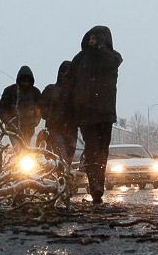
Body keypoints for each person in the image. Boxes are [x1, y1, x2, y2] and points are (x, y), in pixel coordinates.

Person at [69, 25, 122, 204]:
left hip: (105, 113)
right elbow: (70, 83)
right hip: (86, 113)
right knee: (92, 148)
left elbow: (110, 63)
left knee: (102, 150)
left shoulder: (112, 57)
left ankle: (98, 180)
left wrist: (100, 48)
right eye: (90, 38)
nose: (92, 41)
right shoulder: (80, 59)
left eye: (96, 38)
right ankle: (95, 185)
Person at [37, 60, 77, 164]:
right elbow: (41, 107)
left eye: (69, 72)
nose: (66, 75)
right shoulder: (51, 89)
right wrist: (50, 115)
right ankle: (62, 175)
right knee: (60, 155)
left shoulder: (75, 92)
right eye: (64, 72)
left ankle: (64, 176)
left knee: (67, 157)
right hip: (55, 128)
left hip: (70, 129)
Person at [0, 65, 42, 149]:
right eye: (23, 80)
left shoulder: (35, 92)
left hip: (28, 129)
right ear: (19, 79)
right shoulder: (10, 91)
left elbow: (39, 110)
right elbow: (2, 109)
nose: (25, 83)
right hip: (13, 129)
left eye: (27, 80)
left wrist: (35, 122)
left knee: (26, 150)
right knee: (18, 151)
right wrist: (9, 122)